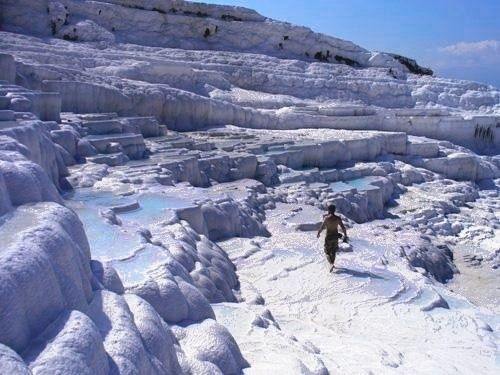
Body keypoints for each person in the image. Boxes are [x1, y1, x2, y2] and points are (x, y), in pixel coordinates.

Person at [317, 204, 348, 269]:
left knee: (327, 252)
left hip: (328, 236)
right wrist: (345, 235)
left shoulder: (326, 218)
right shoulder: (338, 218)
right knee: (333, 251)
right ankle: (332, 264)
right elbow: (343, 228)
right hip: (335, 237)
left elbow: (322, 227)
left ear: (329, 210)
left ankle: (331, 264)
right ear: (334, 210)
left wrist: (318, 233)